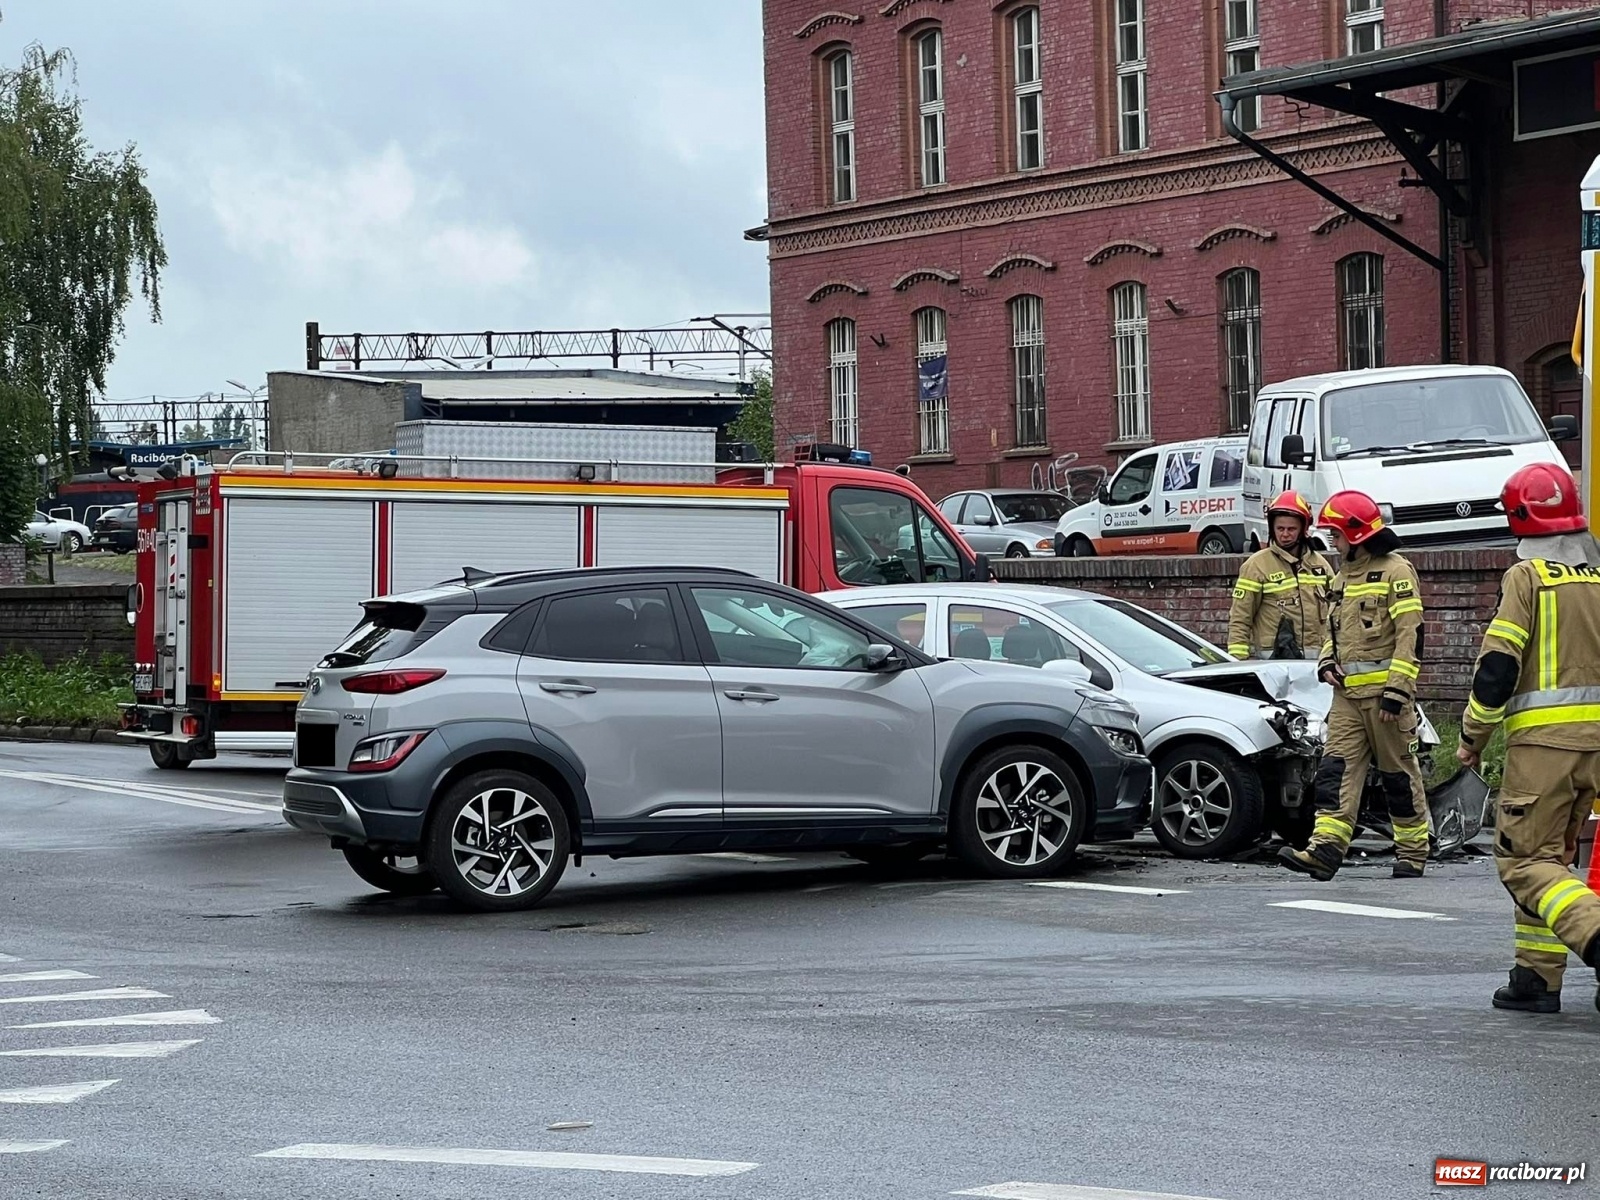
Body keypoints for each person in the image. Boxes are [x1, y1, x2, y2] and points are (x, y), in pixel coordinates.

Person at [1456, 461, 1600, 1014]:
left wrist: (1472, 735)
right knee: (1553, 860)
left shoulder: (1528, 577)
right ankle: (1536, 977)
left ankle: (1594, 935)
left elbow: (1497, 667)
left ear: (1520, 517)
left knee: (1524, 862)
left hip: (1545, 750)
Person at [1279, 490, 1429, 881]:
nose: (1331, 541)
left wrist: (1397, 691)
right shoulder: (1341, 575)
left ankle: (1412, 852)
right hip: (1346, 698)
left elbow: (1410, 635)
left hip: (1385, 700)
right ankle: (1325, 850)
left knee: (1398, 776)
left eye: (1336, 534)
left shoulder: (1396, 572)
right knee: (1335, 774)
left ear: (1356, 533)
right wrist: (1326, 662)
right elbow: (1333, 631)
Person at [1226, 491, 1332, 660]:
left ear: (1304, 529)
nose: (1285, 534)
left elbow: (1337, 614)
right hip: (1274, 664)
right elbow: (1240, 619)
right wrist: (1238, 661)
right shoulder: (1256, 566)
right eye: (1280, 528)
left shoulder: (1320, 566)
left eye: (1291, 529)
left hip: (1318, 664)